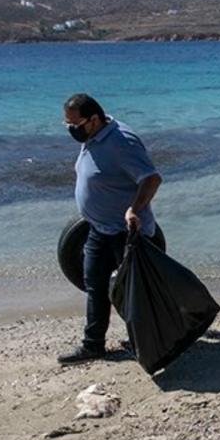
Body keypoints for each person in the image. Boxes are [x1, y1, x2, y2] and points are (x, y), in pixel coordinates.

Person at [58, 94, 163, 365]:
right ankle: (93, 345)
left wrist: (135, 209)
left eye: (75, 124)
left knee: (133, 292)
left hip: (125, 232)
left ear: (94, 119)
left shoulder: (121, 141)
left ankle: (147, 343)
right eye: (66, 124)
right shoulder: (93, 136)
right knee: (95, 285)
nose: (71, 129)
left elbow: (151, 178)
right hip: (97, 229)